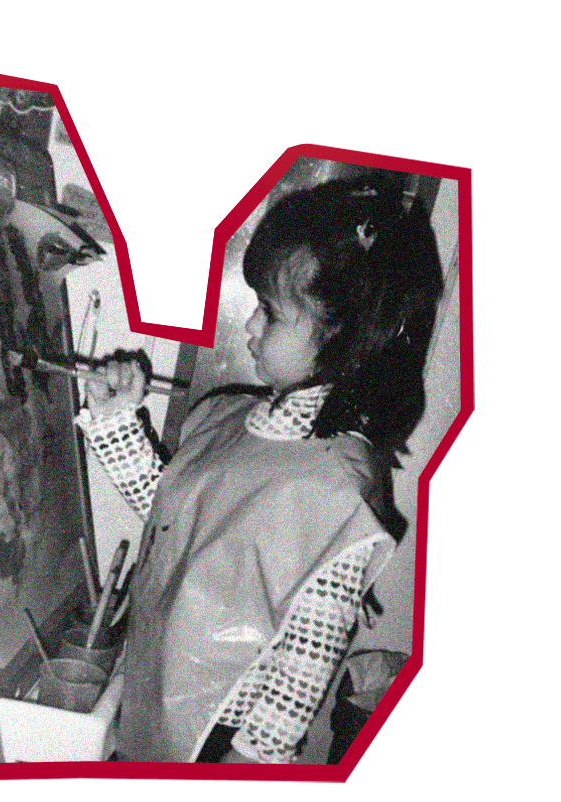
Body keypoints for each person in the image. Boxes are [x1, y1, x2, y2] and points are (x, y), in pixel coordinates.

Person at [75, 175, 444, 764]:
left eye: (268, 314)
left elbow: (304, 669)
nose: (249, 326)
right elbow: (171, 513)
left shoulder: (335, 490)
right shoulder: (233, 420)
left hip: (216, 745)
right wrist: (118, 418)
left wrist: (250, 761)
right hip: (152, 694)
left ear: (343, 339)